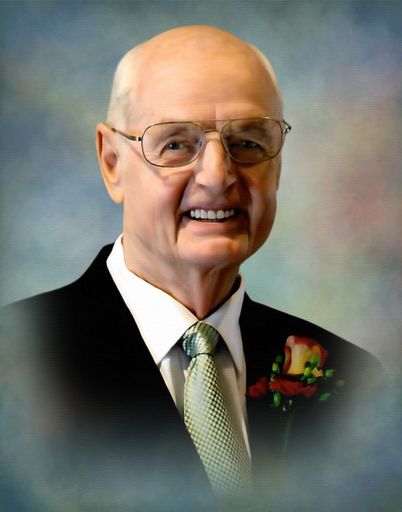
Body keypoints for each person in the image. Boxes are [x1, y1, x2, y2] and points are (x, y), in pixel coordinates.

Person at [0, 25, 385, 511]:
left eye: (248, 141)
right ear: (112, 162)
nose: (218, 176)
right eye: (176, 144)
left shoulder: (347, 380)